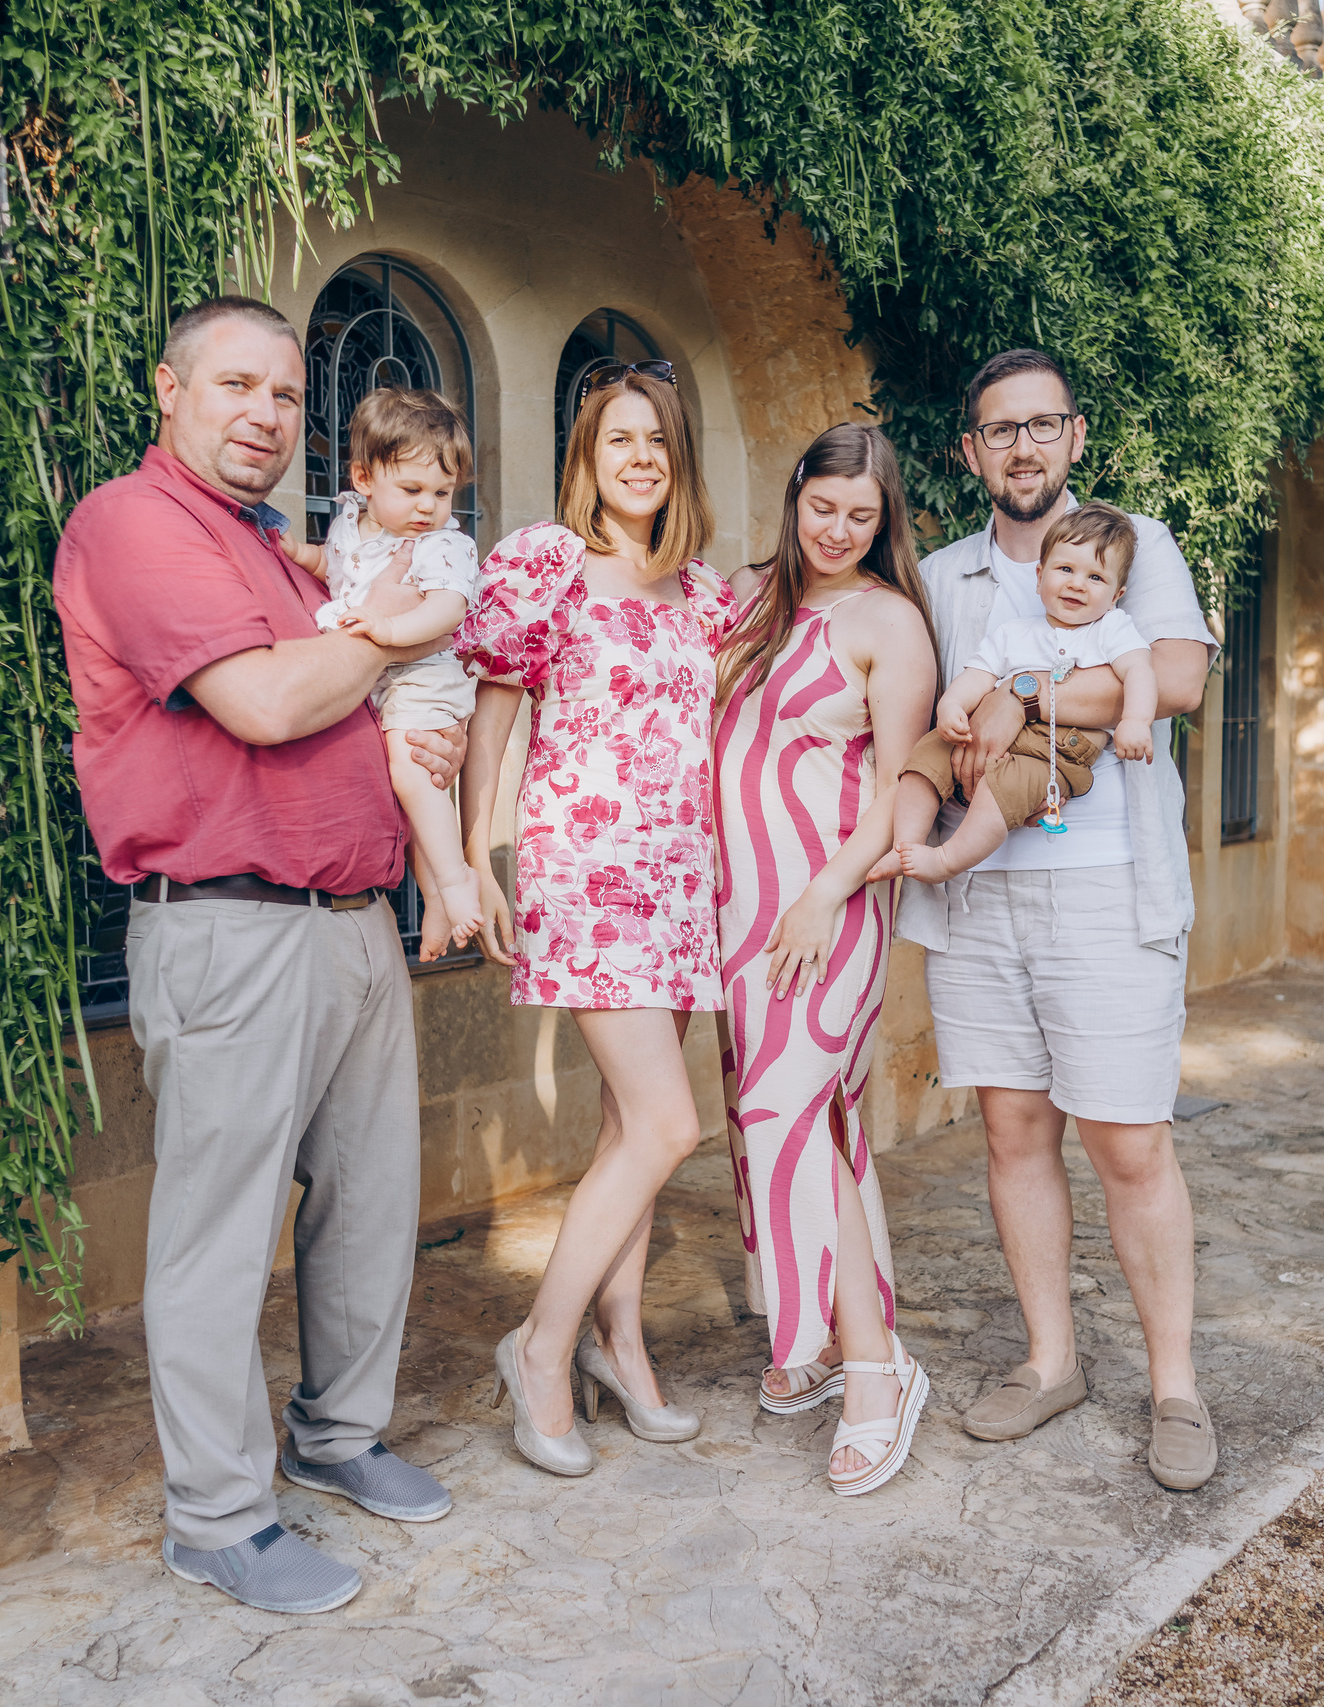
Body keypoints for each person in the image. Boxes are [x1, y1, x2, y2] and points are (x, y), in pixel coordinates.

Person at [50, 296, 464, 1616]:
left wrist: (392, 700)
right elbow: (269, 702)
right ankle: (217, 1515)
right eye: (236, 385)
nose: (263, 414)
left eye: (286, 396)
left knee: (368, 1200)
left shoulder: (287, 561)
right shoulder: (131, 523)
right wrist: (374, 639)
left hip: (351, 925)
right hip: (227, 925)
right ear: (166, 389)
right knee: (217, 1236)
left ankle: (337, 1435)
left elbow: (353, 692)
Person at [900, 347, 1223, 1491]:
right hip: (981, 890)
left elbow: (1175, 680)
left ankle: (1174, 1386)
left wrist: (1024, 692)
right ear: (972, 450)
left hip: (1108, 884)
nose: (1023, 447)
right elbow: (928, 718)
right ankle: (1051, 1362)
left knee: (1128, 1139)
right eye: (1000, 430)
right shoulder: (943, 576)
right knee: (1011, 1133)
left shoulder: (1134, 548)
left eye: (1043, 426)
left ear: (1076, 438)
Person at [454, 364, 734, 1476]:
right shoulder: (546, 566)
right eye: (619, 439)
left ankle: (622, 1343)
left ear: (679, 461)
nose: (639, 458)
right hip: (588, 871)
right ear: (586, 457)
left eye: (657, 441)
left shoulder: (704, 593)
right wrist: (477, 859)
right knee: (670, 1126)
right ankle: (538, 1346)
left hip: (682, 883)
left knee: (632, 1134)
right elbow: (491, 720)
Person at [713, 424, 942, 1495]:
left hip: (827, 910)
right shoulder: (753, 601)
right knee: (815, 1131)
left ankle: (871, 1376)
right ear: (794, 496)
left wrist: (822, 894)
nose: (838, 531)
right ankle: (854, 1335)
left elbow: (902, 792)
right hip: (738, 914)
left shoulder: (887, 621)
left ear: (884, 520)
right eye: (823, 507)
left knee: (788, 1120)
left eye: (862, 516)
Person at [290, 387, 486, 960]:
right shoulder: (353, 523)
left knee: (410, 770)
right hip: (387, 681)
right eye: (412, 489)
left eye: (442, 493)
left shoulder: (443, 545)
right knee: (412, 796)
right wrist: (301, 557)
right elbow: (336, 565)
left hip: (424, 673)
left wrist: (387, 631)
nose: (428, 506)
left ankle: (458, 880)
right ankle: (436, 904)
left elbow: (448, 609)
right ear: (363, 479)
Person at [881, 502, 1157, 881]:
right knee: (927, 755)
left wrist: (1136, 720)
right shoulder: (1013, 632)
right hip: (993, 734)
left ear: (1116, 594)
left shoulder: (1111, 629)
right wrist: (952, 706)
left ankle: (945, 861)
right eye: (1065, 569)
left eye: (1096, 578)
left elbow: (1140, 671)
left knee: (1003, 792)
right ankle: (905, 844)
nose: (1077, 583)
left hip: (1057, 748)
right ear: (1040, 576)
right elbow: (977, 675)